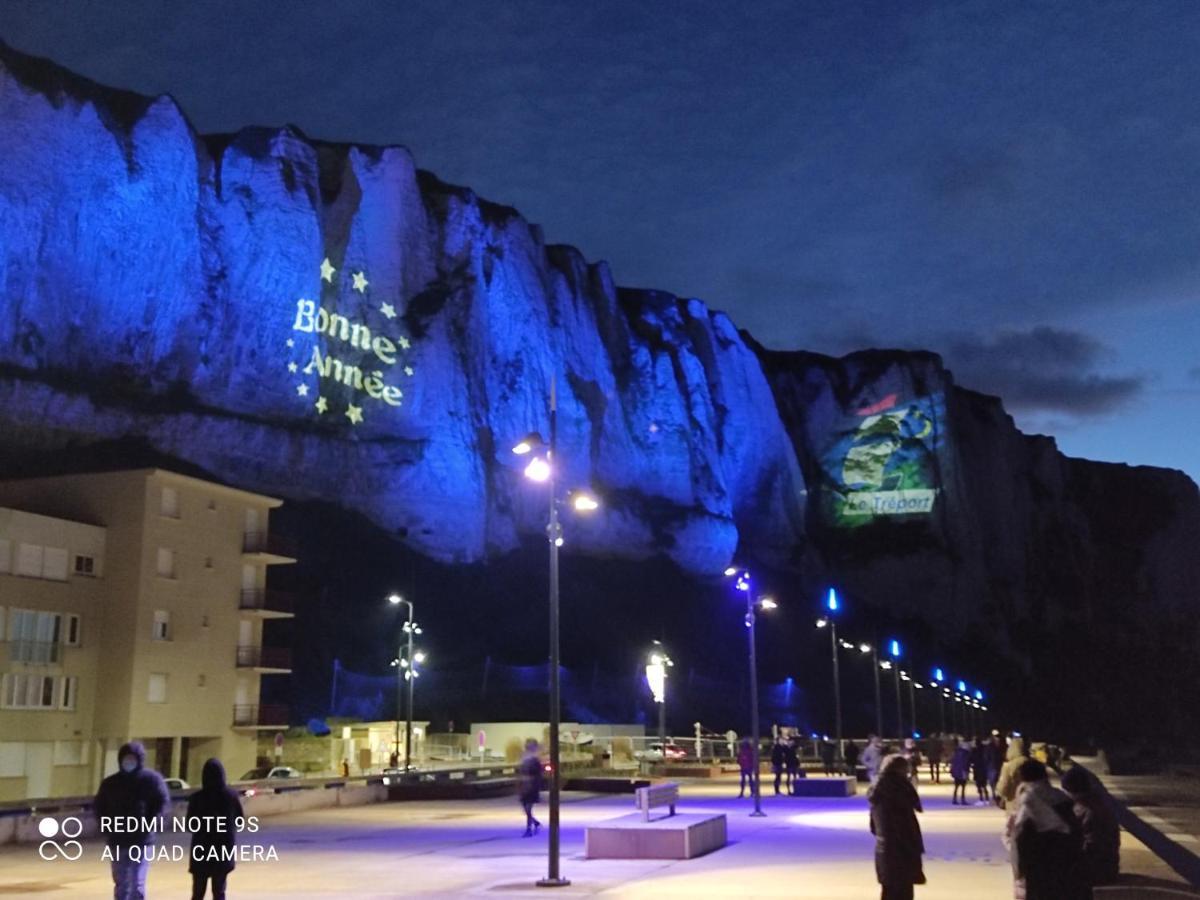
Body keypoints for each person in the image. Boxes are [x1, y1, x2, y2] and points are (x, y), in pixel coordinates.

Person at [94, 741, 171, 900]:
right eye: (126, 758)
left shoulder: (151, 780)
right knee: (121, 884)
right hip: (118, 841)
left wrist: (152, 823)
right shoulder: (110, 784)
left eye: (132, 758)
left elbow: (162, 803)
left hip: (141, 840)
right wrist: (106, 828)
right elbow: (100, 807)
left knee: (137, 883)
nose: (128, 762)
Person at [1005, 759, 1087, 900]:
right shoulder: (1062, 798)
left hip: (1039, 866)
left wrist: (1019, 871)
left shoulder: (1029, 801)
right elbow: (1077, 832)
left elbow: (1019, 838)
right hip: (1066, 862)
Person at [868, 754, 926, 900]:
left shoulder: (879, 793)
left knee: (889, 892)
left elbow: (874, 827)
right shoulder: (899, 791)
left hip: (885, 851)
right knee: (902, 892)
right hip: (901, 852)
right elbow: (906, 829)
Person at [187, 758, 244, 900]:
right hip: (222, 849)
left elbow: (190, 824)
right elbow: (239, 820)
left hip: (201, 849)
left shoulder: (197, 798)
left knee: (198, 892)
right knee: (219, 891)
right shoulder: (231, 796)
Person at [1061, 766, 1120, 888]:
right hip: (1105, 865)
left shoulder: (1090, 811)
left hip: (1098, 870)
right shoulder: (1093, 803)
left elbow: (1093, 847)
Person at [995, 736, 1030, 809]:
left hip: (1013, 801)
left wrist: (1000, 796)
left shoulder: (1008, 766)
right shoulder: (1030, 763)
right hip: (1030, 800)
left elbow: (1004, 785)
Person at [517, 739, 543, 837]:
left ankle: (529, 830)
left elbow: (538, 774)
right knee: (526, 809)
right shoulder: (524, 757)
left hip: (532, 786)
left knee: (528, 808)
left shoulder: (535, 759)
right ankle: (535, 823)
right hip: (524, 785)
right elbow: (520, 772)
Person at [949, 738, 971, 806]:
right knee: (963, 787)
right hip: (963, 772)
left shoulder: (956, 752)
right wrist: (967, 772)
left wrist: (952, 771)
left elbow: (953, 762)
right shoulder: (966, 754)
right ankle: (962, 799)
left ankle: (954, 799)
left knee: (956, 786)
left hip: (957, 772)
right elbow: (966, 764)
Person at [971, 737, 991, 804]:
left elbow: (972, 759)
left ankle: (981, 798)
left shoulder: (975, 750)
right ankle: (986, 798)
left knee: (979, 785)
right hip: (983, 769)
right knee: (984, 785)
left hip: (977, 769)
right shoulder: (984, 750)